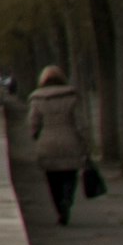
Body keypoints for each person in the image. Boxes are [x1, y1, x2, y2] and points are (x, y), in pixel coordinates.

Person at [24, 65, 92, 223]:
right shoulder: (72, 96)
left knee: (52, 178)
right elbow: (81, 123)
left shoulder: (37, 99)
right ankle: (67, 198)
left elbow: (33, 123)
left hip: (47, 143)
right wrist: (85, 142)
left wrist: (35, 136)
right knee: (70, 174)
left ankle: (59, 208)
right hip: (70, 141)